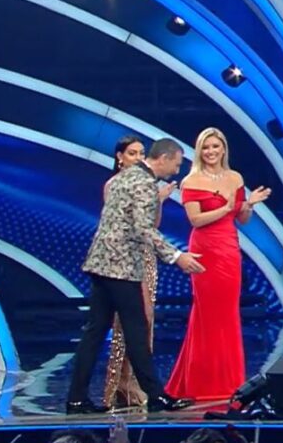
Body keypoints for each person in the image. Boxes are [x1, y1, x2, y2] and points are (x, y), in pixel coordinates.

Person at [66, 138, 204, 414]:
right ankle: (156, 396)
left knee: (95, 332)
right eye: (176, 164)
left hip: (101, 264)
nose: (176, 171)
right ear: (163, 158)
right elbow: (143, 229)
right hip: (120, 267)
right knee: (136, 332)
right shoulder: (144, 183)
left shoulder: (124, 177)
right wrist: (177, 256)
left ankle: (76, 398)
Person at [165, 128, 271, 401]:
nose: (211, 152)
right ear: (199, 151)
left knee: (228, 315)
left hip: (229, 249)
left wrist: (249, 205)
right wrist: (225, 208)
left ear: (224, 148)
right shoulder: (191, 181)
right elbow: (196, 220)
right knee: (207, 315)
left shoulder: (235, 177)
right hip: (205, 250)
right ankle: (201, 384)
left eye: (215, 146)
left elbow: (241, 219)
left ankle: (230, 381)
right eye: (206, 147)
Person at [103, 136, 177, 408]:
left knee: (146, 320)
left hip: (146, 257)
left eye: (141, 153)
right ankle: (120, 385)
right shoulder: (115, 184)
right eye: (132, 153)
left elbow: (152, 225)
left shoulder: (148, 185)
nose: (137, 158)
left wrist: (158, 201)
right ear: (119, 157)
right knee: (127, 321)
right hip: (124, 259)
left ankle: (134, 383)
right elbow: (125, 224)